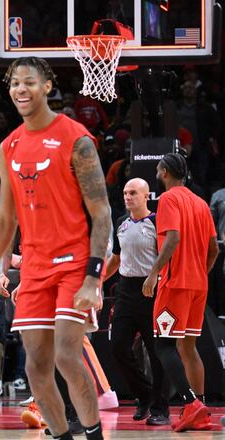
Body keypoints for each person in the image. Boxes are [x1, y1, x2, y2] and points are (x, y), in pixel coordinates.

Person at [0, 57, 111, 440]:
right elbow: (5, 221)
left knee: (66, 354)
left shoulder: (76, 139)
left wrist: (93, 277)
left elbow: (102, 214)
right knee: (35, 368)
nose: (20, 89)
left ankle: (94, 435)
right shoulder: (9, 146)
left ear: (47, 86)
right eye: (15, 83)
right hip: (34, 267)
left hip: (74, 263)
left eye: (29, 82)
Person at [141, 153, 218, 432]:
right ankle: (201, 406)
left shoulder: (168, 200)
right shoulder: (200, 202)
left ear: (163, 172)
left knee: (163, 345)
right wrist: (200, 273)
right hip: (198, 285)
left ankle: (190, 404)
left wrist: (153, 273)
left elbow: (172, 237)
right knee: (188, 346)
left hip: (174, 284)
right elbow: (215, 249)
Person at [102, 178, 169, 425]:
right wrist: (97, 282)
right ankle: (145, 395)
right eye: (125, 193)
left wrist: (158, 278)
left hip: (152, 289)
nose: (128, 197)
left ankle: (161, 408)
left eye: (133, 193)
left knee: (156, 351)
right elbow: (116, 259)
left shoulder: (157, 222)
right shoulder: (121, 223)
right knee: (118, 347)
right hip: (126, 290)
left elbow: (167, 257)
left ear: (146, 196)